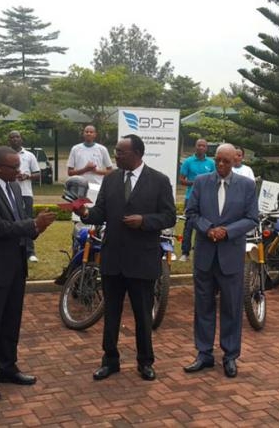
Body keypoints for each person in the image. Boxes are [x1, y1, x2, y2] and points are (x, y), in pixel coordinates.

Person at [74, 134, 176, 382]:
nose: (116, 155)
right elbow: (100, 212)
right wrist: (85, 212)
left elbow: (169, 216)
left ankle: (145, 362)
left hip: (142, 260)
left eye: (121, 152)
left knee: (143, 315)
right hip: (113, 259)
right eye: (117, 151)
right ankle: (110, 360)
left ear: (137, 154)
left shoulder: (159, 181)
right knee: (112, 313)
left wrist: (145, 221)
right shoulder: (110, 180)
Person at [0, 146, 57, 401]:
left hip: (15, 266)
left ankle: (7, 368)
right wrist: (32, 225)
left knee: (11, 322)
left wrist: (36, 228)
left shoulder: (15, 187)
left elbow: (18, 223)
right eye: (14, 167)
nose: (20, 171)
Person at [183, 144, 258, 379]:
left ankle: (230, 356)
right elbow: (191, 212)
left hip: (230, 256)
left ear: (235, 161)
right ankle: (204, 353)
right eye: (218, 160)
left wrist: (227, 231)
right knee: (203, 306)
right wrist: (209, 229)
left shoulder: (246, 186)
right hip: (205, 255)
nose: (221, 165)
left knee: (232, 308)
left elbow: (252, 218)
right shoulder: (202, 182)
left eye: (226, 161)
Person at [178, 138, 216, 261]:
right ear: (195, 147)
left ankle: (201, 252)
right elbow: (181, 180)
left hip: (206, 199)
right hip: (191, 198)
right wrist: (195, 183)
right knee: (188, 225)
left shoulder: (211, 163)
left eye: (203, 146)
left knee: (205, 225)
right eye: (199, 145)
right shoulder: (188, 162)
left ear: (206, 148)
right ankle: (185, 253)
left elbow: (215, 179)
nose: (201, 148)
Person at [8, 130, 41, 262]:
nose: (15, 139)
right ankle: (12, 249)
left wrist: (27, 176)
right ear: (8, 140)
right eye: (12, 137)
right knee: (11, 221)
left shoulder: (29, 155)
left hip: (26, 193)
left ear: (21, 139)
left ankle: (30, 252)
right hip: (9, 193)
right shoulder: (6, 155)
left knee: (28, 221)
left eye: (17, 137)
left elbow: (38, 174)